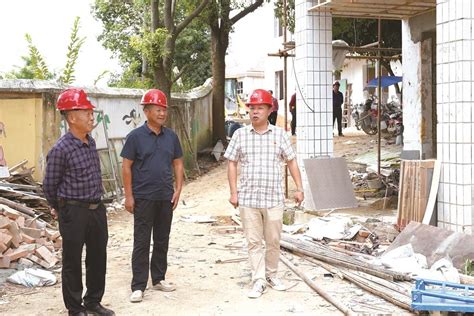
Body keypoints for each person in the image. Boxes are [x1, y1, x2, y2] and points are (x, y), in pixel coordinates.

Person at [224, 89, 304, 299]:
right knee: (253, 241)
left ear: (269, 110)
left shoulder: (279, 135)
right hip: (248, 198)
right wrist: (234, 192)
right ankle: (258, 279)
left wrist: (299, 187)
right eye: (252, 108)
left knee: (273, 240)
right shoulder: (240, 134)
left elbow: (291, 161)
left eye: (260, 107)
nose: (255, 111)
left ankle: (272, 275)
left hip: (273, 199)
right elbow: (231, 163)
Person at [43, 88, 114, 316]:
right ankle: (75, 308)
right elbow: (49, 184)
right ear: (72, 117)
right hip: (73, 211)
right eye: (86, 112)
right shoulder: (60, 149)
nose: (92, 117)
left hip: (96, 209)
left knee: (97, 257)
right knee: (72, 260)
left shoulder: (90, 142)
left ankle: (93, 301)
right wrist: (58, 206)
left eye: (91, 112)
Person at [121, 89, 184, 303]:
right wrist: (128, 196)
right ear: (146, 111)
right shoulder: (135, 137)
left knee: (162, 239)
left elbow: (178, 162)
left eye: (164, 109)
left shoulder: (171, 137)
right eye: (157, 109)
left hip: (165, 197)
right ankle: (138, 285)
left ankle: (158, 278)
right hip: (143, 198)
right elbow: (127, 167)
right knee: (141, 241)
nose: (162, 113)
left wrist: (178, 189)